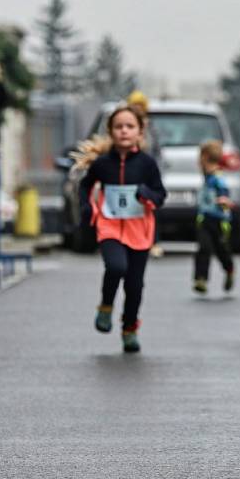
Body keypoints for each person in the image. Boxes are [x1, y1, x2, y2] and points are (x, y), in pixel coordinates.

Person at [78, 105, 167, 353]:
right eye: (118, 127)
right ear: (110, 132)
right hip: (109, 225)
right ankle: (106, 306)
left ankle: (129, 329)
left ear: (140, 132)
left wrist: (146, 193)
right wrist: (88, 207)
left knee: (134, 285)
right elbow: (85, 186)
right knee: (116, 266)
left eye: (130, 127)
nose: (124, 131)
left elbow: (160, 195)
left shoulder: (147, 164)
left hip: (139, 230)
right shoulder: (102, 164)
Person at [126, 89, 165, 259]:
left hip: (146, 173)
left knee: (150, 208)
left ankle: (153, 241)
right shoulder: (125, 126)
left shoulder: (150, 127)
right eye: (135, 105)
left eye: (140, 105)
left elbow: (156, 151)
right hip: (128, 174)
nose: (138, 108)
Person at [193, 140, 235, 294]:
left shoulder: (217, 177)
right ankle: (200, 278)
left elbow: (224, 192)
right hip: (205, 219)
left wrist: (224, 199)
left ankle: (229, 269)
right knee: (203, 248)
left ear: (205, 157)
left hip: (218, 220)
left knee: (221, 249)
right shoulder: (206, 176)